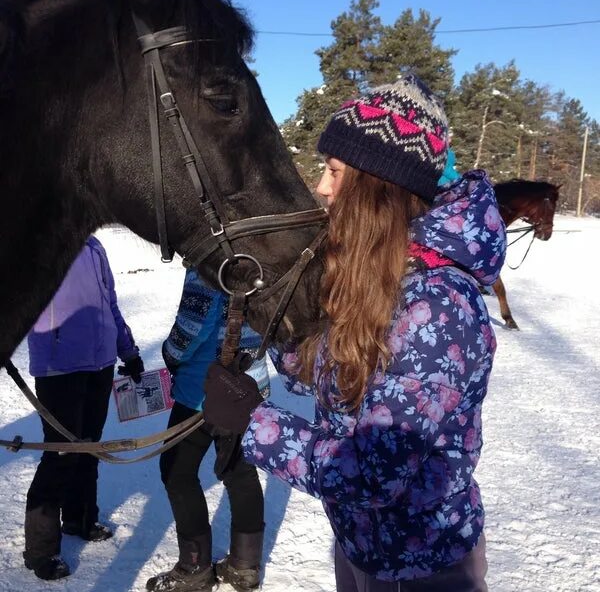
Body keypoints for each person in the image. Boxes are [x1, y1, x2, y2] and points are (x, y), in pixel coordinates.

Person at [203, 74, 507, 591]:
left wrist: (253, 424)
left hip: (425, 565)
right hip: (361, 546)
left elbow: (373, 472)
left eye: (334, 170)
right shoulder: (380, 275)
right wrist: (281, 332)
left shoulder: (435, 304)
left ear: (376, 186)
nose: (321, 186)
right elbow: (344, 374)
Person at [24, 234, 144, 581]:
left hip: (101, 363)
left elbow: (111, 302)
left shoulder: (93, 247)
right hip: (59, 366)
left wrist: (129, 351)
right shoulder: (36, 241)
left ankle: (80, 518)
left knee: (89, 446)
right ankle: (40, 550)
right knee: (61, 453)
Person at [146, 269, 269, 592]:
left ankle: (195, 566)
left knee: (177, 472)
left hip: (201, 391)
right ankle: (245, 566)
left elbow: (193, 326)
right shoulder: (258, 260)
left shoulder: (209, 262)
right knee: (240, 473)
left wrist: (170, 355)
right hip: (247, 386)